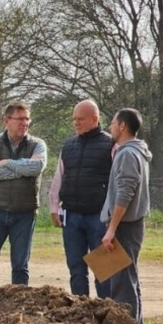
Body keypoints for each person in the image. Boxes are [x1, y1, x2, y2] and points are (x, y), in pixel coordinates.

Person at [0, 100, 47, 285]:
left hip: (24, 212)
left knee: (20, 265)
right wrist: (22, 170)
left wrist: (8, 162)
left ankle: (20, 306)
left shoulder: (37, 144)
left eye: (27, 119)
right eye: (20, 119)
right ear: (6, 120)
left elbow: (37, 167)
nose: (24, 123)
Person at [48, 99, 113, 298]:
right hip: (71, 215)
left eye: (81, 119)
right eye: (74, 119)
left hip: (99, 216)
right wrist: (53, 207)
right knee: (76, 269)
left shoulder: (111, 144)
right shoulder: (68, 146)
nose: (76, 123)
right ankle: (81, 312)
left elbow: (116, 182)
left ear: (95, 119)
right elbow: (59, 177)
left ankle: (105, 312)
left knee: (104, 270)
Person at [101, 108, 151, 324]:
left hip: (125, 227)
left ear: (122, 126)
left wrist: (112, 229)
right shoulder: (135, 151)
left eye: (113, 123)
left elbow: (125, 192)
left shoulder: (128, 154)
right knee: (124, 278)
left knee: (122, 281)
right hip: (129, 226)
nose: (110, 127)